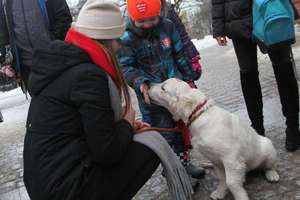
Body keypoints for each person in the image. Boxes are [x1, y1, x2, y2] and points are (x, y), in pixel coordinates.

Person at [23, 1, 160, 200]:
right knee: (149, 146)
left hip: (44, 182)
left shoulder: (65, 65)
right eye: (117, 39)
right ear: (105, 41)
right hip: (67, 189)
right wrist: (127, 124)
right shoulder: (89, 75)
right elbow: (107, 152)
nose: (119, 46)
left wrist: (120, 126)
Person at [118, 0, 204, 185]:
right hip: (152, 96)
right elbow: (126, 66)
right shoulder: (125, 38)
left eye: (151, 19)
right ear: (132, 17)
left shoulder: (168, 26)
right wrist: (140, 82)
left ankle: (185, 164)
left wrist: (188, 76)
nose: (148, 25)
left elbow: (179, 53)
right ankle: (174, 173)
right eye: (142, 22)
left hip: (175, 88)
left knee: (180, 130)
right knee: (166, 134)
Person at [212, 0, 300, 152]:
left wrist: (290, 9)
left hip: (269, 9)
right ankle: (257, 131)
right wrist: (219, 28)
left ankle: (293, 127)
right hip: (238, 18)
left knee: (283, 69)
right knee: (248, 74)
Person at [0, 0, 72, 92]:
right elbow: (3, 32)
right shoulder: (4, 2)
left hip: (56, 60)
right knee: (42, 104)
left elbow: (64, 18)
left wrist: (55, 44)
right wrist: (6, 62)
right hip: (28, 69)